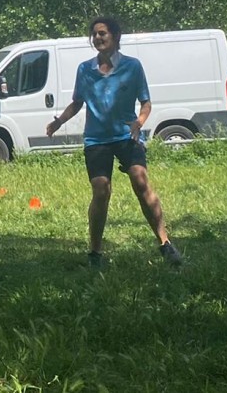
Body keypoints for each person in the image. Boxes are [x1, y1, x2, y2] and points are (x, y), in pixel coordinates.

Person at [45, 17, 184, 269]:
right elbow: (77, 102)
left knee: (140, 182)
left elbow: (146, 103)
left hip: (126, 136)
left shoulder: (133, 67)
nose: (97, 38)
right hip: (97, 139)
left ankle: (165, 243)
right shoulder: (84, 70)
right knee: (101, 191)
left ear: (115, 36)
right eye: (94, 35)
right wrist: (57, 122)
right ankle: (95, 253)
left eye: (102, 33)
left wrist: (139, 122)